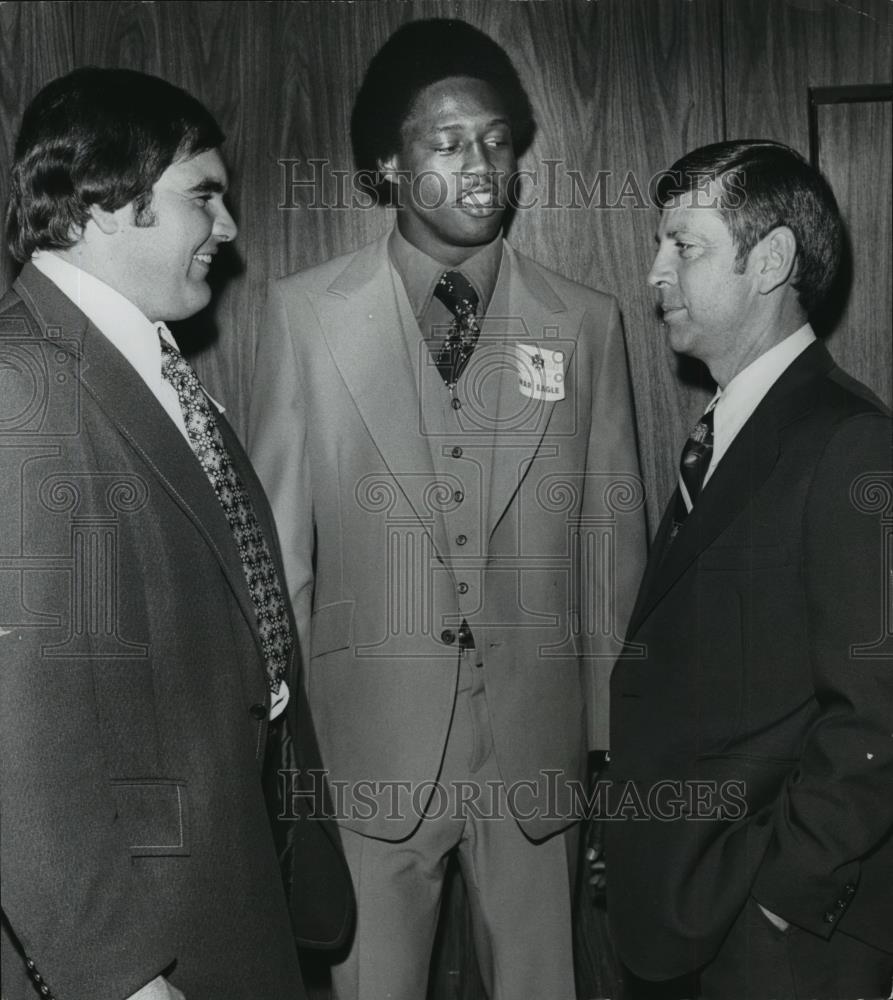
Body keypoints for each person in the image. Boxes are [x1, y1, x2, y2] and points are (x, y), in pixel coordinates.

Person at [248, 18, 646, 1000]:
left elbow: (613, 553)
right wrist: (287, 765)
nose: (479, 165)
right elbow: (279, 558)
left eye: (497, 139)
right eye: (444, 141)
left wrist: (611, 748)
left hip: (536, 759)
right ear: (385, 163)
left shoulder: (584, 321)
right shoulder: (303, 317)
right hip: (363, 761)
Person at [0, 67, 352, 1000]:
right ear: (107, 203)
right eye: (203, 196)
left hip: (227, 892)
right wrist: (115, 976)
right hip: (140, 945)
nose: (227, 229)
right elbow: (14, 734)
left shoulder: (146, 362)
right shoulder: (20, 393)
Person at [606, 140, 893, 999]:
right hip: (693, 913)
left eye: (682, 247)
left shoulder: (847, 441)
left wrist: (781, 897)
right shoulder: (726, 431)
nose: (655, 275)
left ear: (768, 260)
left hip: (779, 939)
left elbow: (874, 713)